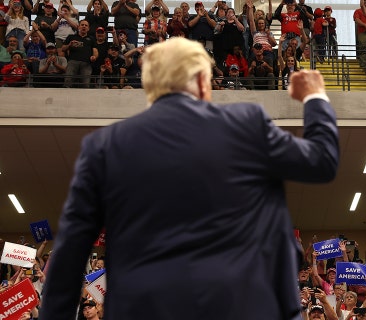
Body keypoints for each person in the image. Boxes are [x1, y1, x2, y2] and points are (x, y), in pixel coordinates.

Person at [40, 37, 338, 319]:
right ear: (200, 80)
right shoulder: (248, 124)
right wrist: (315, 96)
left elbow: (71, 251)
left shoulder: (104, 147)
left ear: (150, 86)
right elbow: (321, 161)